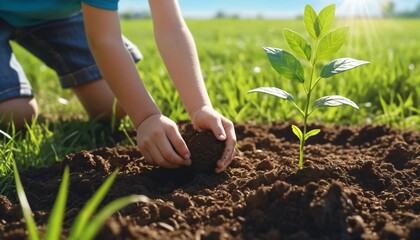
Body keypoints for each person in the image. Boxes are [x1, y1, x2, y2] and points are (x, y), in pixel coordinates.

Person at [0, 0, 236, 173]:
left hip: (60, 13)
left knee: (113, 106)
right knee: (16, 114)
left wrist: (200, 107)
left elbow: (171, 27)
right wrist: (146, 117)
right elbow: (104, 39)